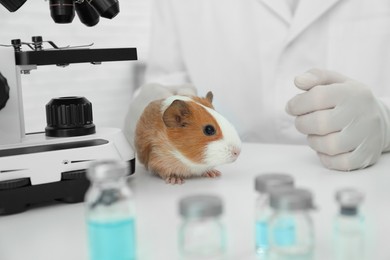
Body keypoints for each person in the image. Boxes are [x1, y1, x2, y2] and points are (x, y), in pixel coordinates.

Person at [124, 0, 390, 171]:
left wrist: (386, 121)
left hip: (370, 186)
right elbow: (169, 82)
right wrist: (149, 118)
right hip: (228, 188)